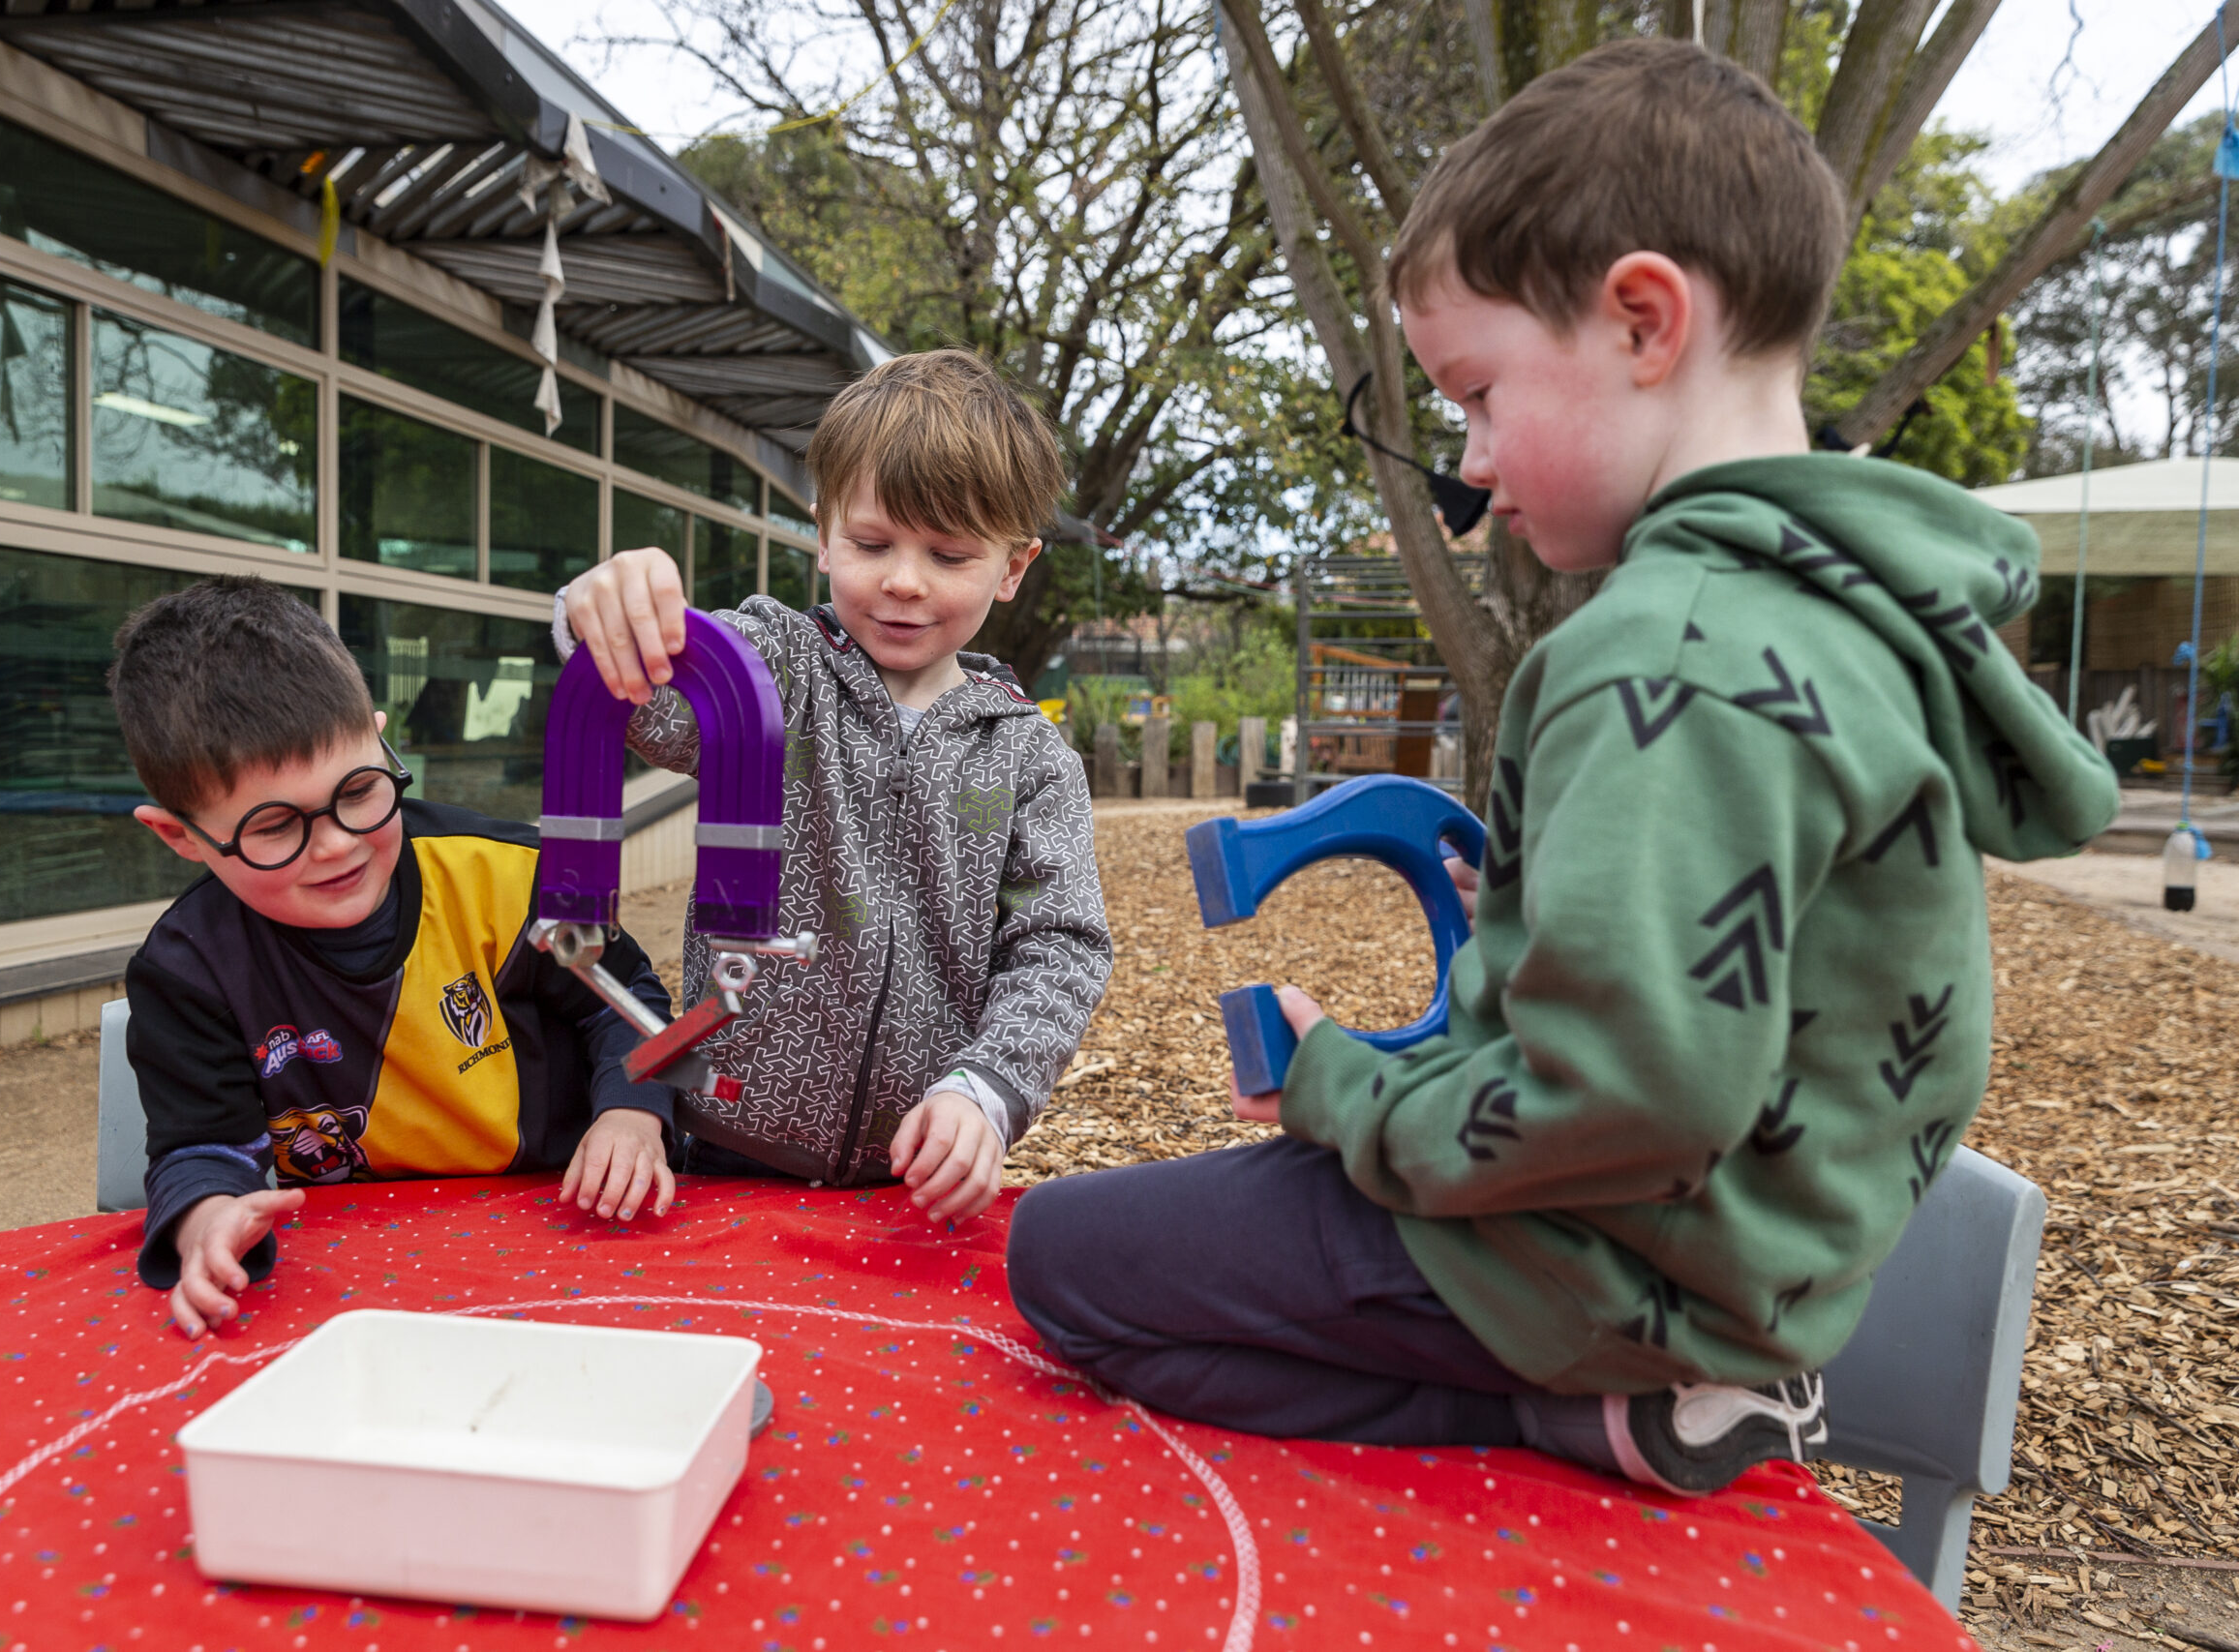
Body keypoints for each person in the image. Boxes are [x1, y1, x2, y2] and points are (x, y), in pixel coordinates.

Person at [1006, 39, 2119, 1496]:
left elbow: (1623, 1101)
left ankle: (1592, 1416)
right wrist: (1547, 901)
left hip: (1592, 1261)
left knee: (1064, 1263)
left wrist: (1347, 1093)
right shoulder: (1857, 622)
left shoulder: (1665, 645)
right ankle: (1667, 1396)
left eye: (1478, 394)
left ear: (1644, 322)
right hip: (1764, 1265)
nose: (1469, 463)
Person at [553, 349, 1111, 1226]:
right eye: (871, 543)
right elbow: (654, 712)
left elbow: (1060, 945)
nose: (903, 579)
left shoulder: (1030, 757)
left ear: (1013, 566)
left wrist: (988, 1088)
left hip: (916, 1169)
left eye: (949, 553)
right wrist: (604, 614)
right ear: (822, 533)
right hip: (722, 1148)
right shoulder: (771, 667)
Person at [112, 577, 678, 1338]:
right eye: (274, 827)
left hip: (564, 1230)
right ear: (179, 835)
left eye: (358, 790)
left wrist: (632, 1114)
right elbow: (202, 1148)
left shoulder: (510, 875)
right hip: (347, 1282)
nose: (337, 844)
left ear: (382, 741)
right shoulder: (188, 969)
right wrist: (207, 1217)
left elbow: (626, 1003)